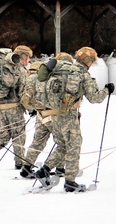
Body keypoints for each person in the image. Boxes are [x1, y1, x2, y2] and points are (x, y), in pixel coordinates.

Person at [35, 48, 110, 192]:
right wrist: (107, 90)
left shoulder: (61, 68)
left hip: (54, 113)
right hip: (68, 115)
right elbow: (95, 98)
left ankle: (44, 170)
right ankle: (70, 181)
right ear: (88, 61)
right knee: (74, 146)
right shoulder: (83, 74)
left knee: (62, 145)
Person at [19, 61, 51, 179]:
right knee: (62, 142)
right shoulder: (42, 79)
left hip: (39, 114)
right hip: (51, 113)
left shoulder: (28, 78)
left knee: (37, 141)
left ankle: (26, 166)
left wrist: (32, 108)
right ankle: (59, 167)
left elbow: (25, 97)